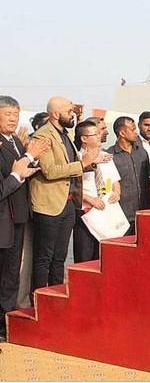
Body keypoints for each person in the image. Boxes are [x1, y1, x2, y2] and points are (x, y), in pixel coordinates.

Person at [30, 97, 108, 291]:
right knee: (44, 257)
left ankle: (55, 296)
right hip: (49, 204)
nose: (73, 114)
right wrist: (82, 164)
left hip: (68, 204)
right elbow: (50, 171)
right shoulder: (43, 136)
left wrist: (90, 162)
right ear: (56, 114)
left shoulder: (64, 134)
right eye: (69, 111)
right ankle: (39, 299)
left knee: (59, 257)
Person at [0, 95, 49, 341]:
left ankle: (5, 323)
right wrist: (23, 166)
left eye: (16, 114)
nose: (13, 118)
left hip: (17, 217)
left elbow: (20, 171)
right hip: (3, 219)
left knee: (11, 275)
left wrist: (29, 165)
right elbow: (8, 181)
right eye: (8, 114)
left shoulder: (15, 142)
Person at [73, 120, 121, 263]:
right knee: (85, 257)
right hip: (86, 212)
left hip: (106, 212)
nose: (100, 135)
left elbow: (115, 180)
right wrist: (90, 199)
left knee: (104, 258)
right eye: (95, 133)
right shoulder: (77, 159)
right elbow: (72, 187)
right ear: (84, 139)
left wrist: (116, 193)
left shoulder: (106, 156)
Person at [106, 116, 150, 235]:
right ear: (122, 132)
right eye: (132, 129)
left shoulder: (142, 152)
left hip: (143, 212)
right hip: (121, 216)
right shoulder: (109, 156)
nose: (136, 132)